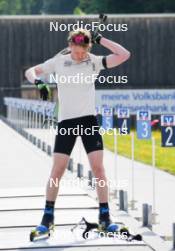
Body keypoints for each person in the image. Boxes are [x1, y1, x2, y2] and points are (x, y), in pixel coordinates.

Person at [25, 28, 130, 235]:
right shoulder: (59, 61)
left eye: (83, 51)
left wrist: (101, 39)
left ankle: (104, 216)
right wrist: (39, 82)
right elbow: (31, 71)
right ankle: (47, 218)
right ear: (70, 45)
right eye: (76, 51)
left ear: (88, 47)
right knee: (57, 170)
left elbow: (124, 55)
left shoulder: (94, 61)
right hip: (66, 122)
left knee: (98, 169)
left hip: (89, 120)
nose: (80, 56)